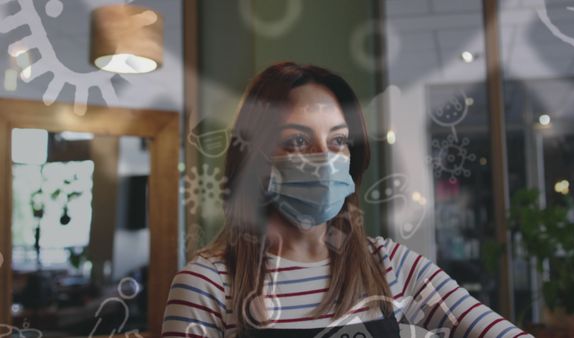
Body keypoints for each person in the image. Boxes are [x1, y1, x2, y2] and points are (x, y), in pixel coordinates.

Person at [161, 62, 532, 338]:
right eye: (297, 141)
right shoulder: (207, 284)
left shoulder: (390, 266)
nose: (325, 157)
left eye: (338, 141)